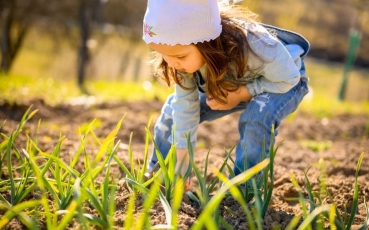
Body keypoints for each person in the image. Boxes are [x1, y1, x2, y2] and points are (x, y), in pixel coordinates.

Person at [142, 0, 310, 180]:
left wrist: (240, 94)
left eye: (180, 56)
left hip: (283, 81)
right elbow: (185, 107)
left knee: (256, 116)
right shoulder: (179, 61)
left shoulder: (256, 46)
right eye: (165, 55)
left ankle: (244, 188)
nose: (172, 63)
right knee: (172, 111)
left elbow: (288, 78)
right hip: (233, 83)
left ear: (206, 44)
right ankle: (160, 174)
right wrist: (182, 159)